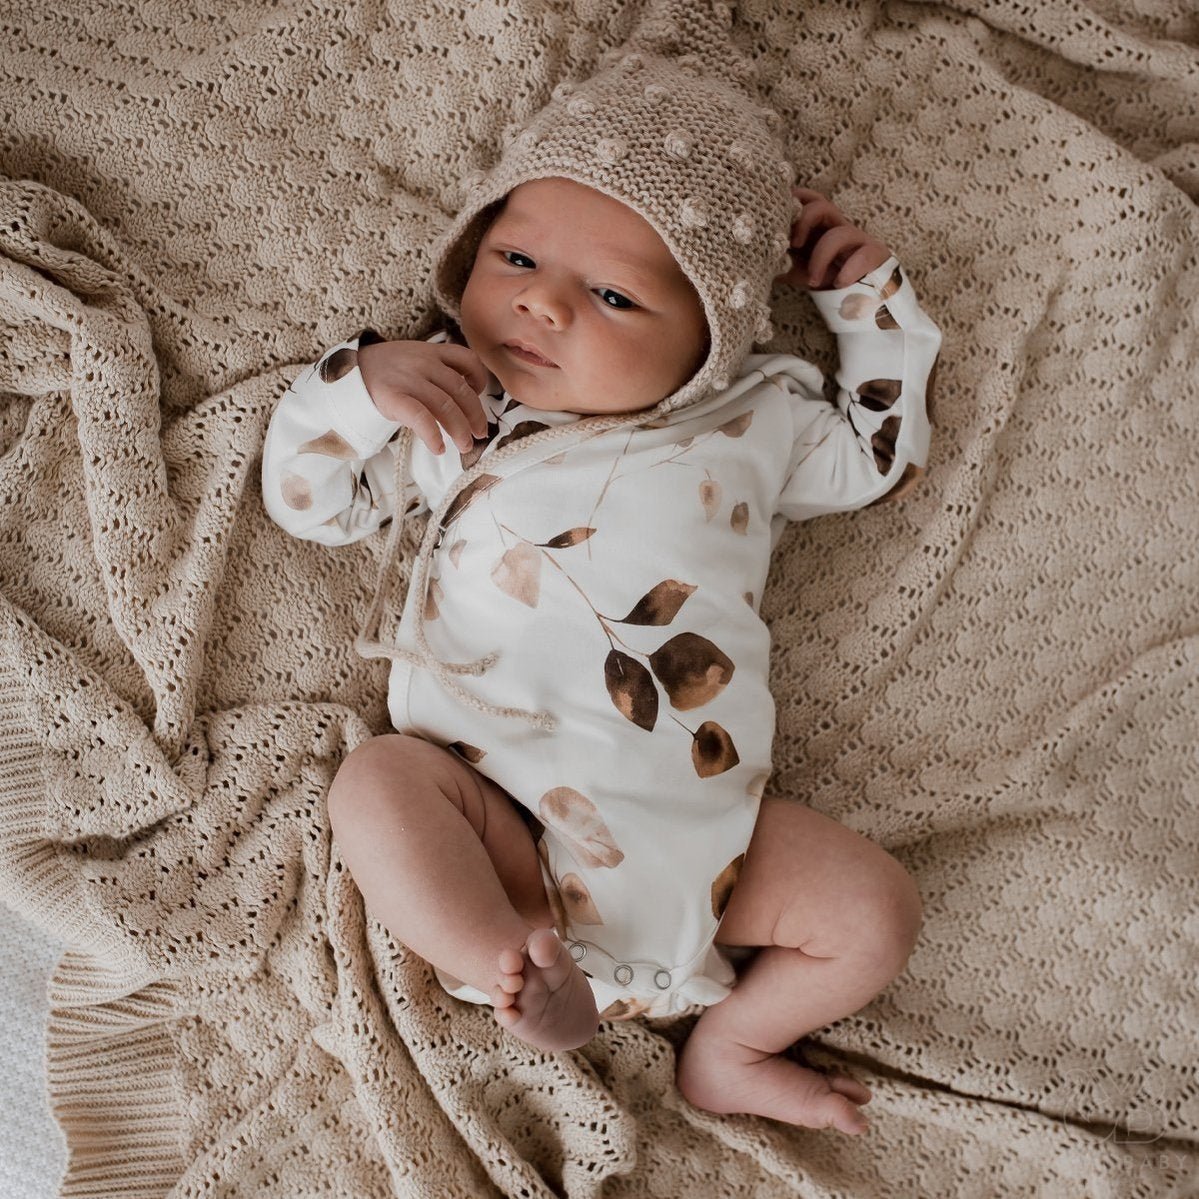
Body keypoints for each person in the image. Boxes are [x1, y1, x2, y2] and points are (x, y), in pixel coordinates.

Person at [261, 42, 940, 1135]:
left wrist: (869, 304)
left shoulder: (756, 418)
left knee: (874, 907)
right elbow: (313, 503)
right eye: (516, 258)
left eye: (613, 294)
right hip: (500, 817)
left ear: (709, 337)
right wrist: (358, 388)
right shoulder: (463, 408)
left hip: (704, 837)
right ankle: (510, 962)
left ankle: (730, 1045)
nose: (540, 304)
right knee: (377, 787)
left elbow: (880, 454)